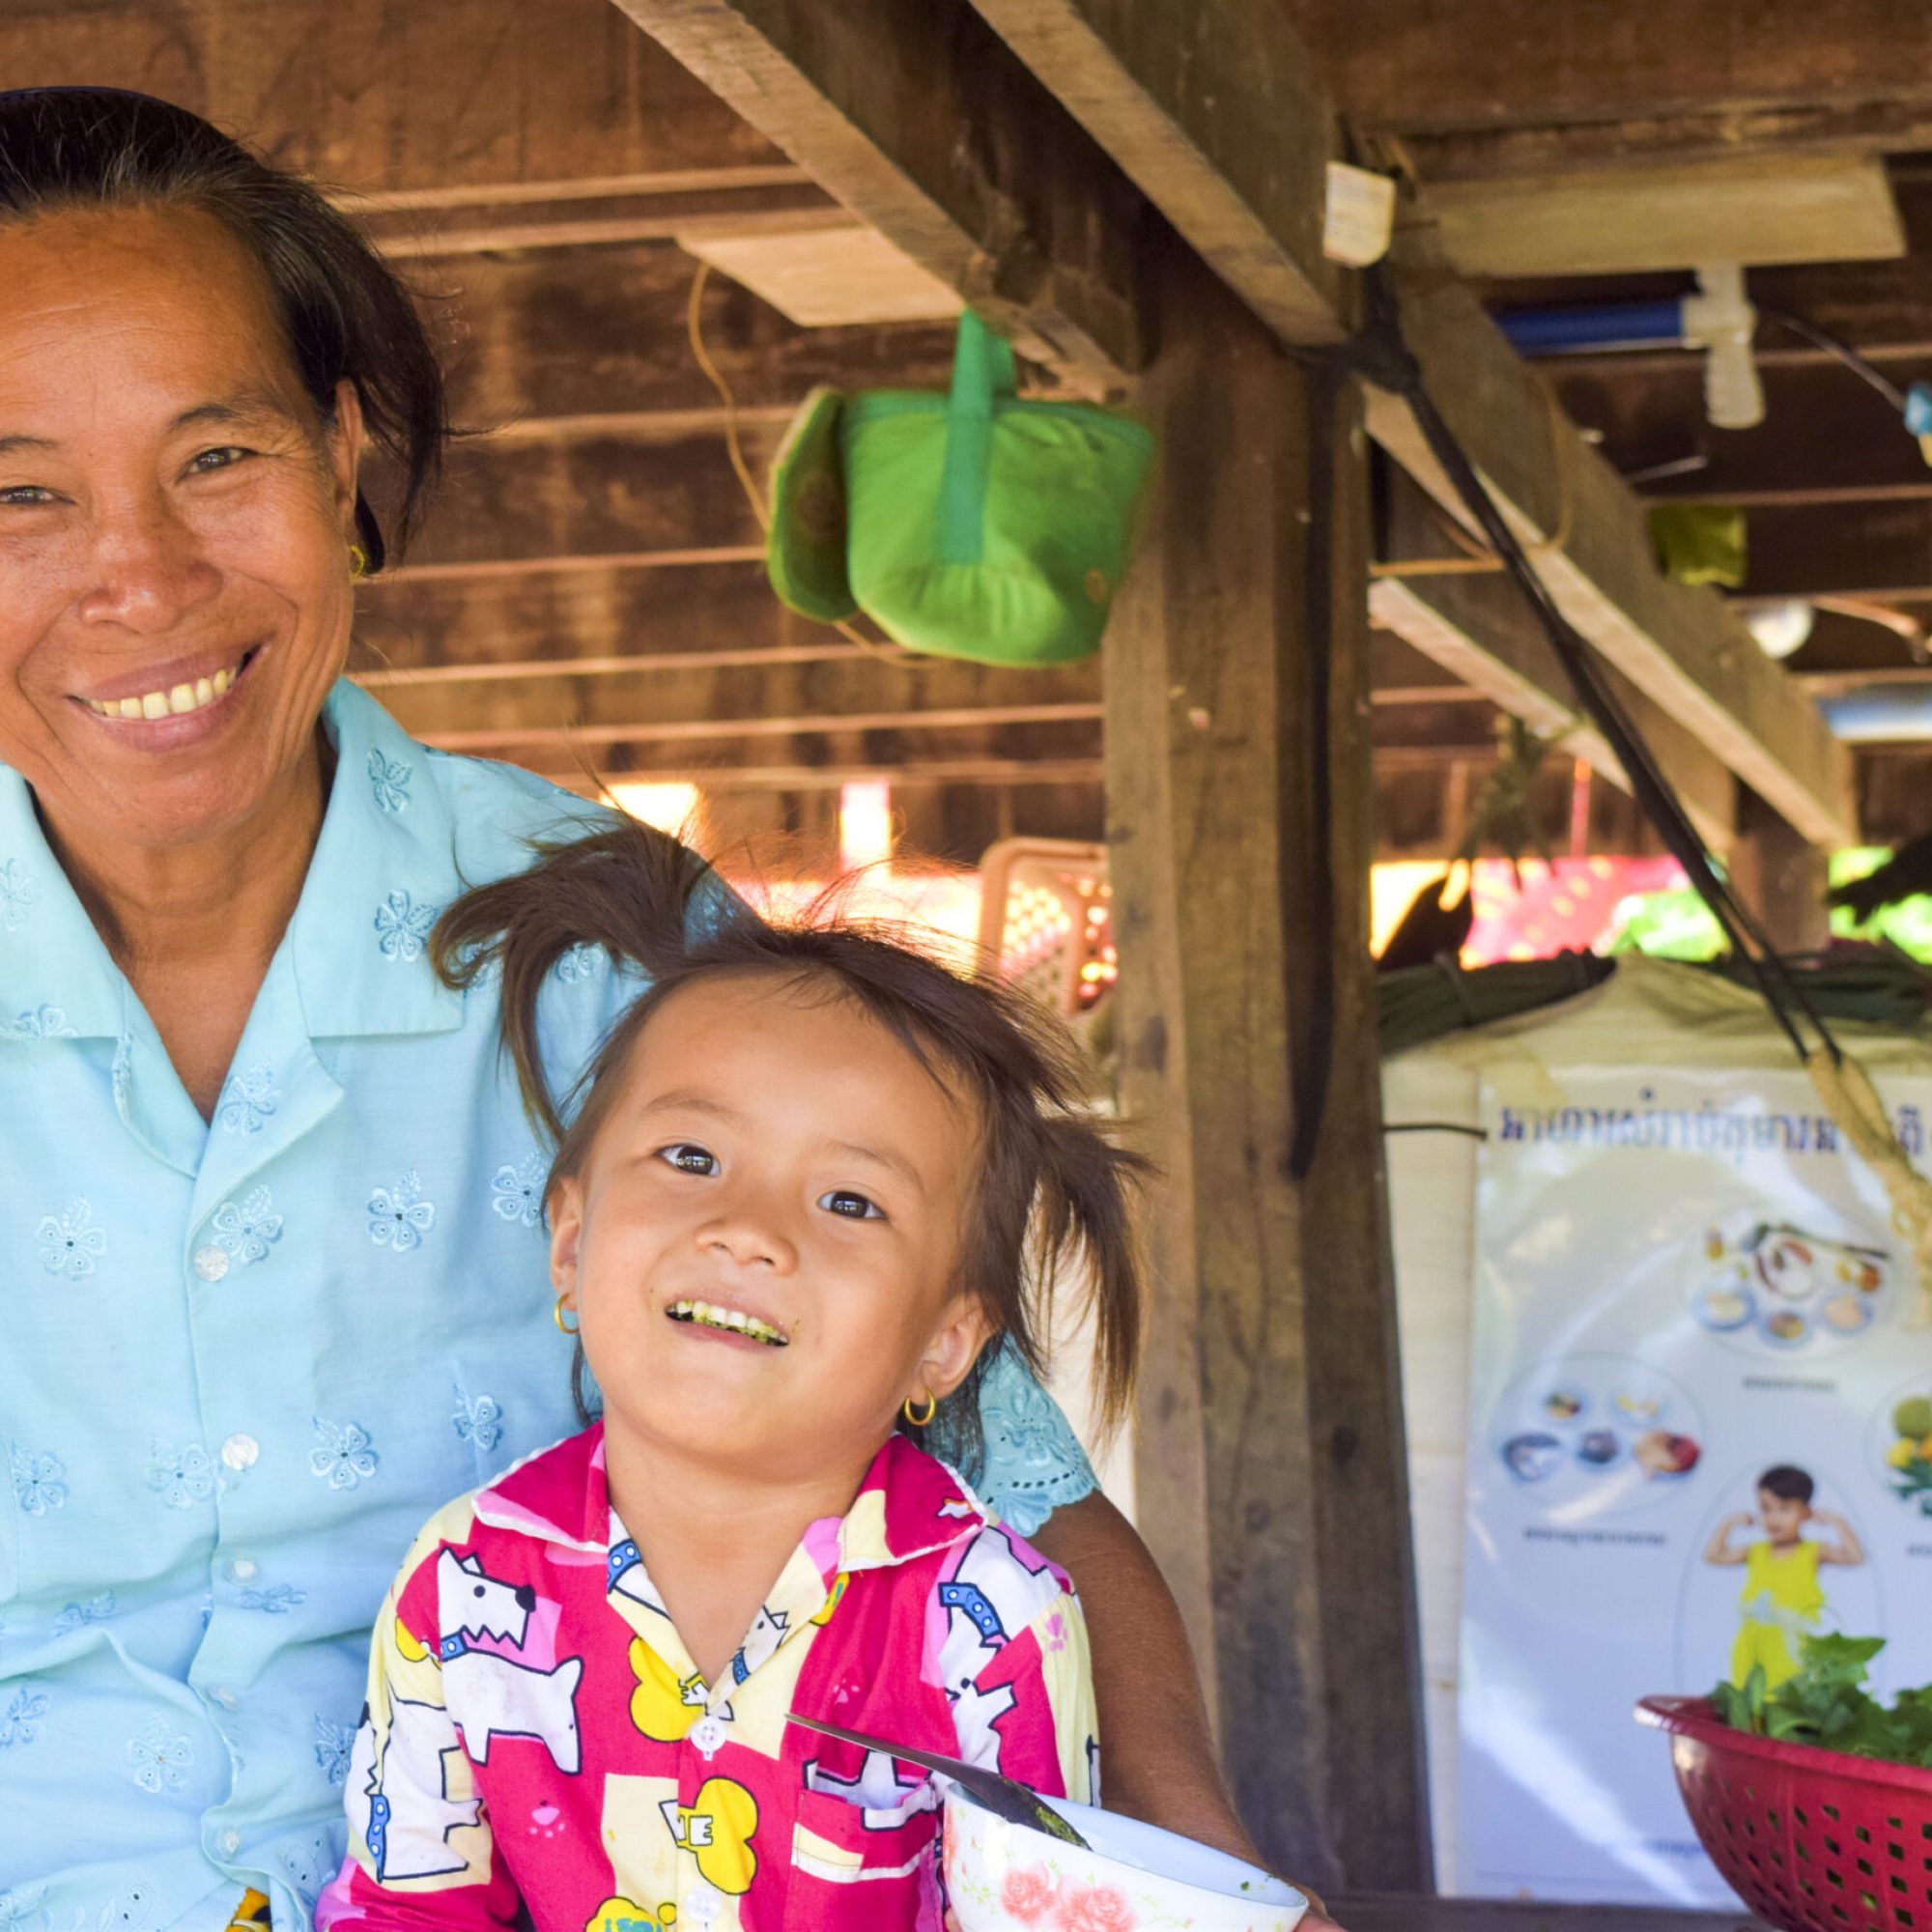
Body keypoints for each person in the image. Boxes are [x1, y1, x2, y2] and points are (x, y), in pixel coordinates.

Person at [0, 86, 1310, 1932]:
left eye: (217, 458)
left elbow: (1004, 1479)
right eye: (18, 490)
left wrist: (1202, 1876)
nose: (135, 573)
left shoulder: (609, 945)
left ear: (343, 456)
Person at [314, 822, 1141, 1925]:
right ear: (569, 1243)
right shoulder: (468, 1582)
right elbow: (411, 1908)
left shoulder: (987, 1622)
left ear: (943, 1342)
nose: (747, 1230)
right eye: (692, 1158)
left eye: (849, 1200)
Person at [1704, 1463, 1866, 1690]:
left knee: (1787, 1696)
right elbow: (1714, 1555)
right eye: (1766, 1509)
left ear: (1806, 1513)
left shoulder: (1812, 1552)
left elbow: (1854, 1557)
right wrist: (1728, 1523)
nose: (1774, 1518)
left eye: (1784, 1509)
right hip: (1752, 1639)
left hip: (1791, 1642)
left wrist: (1837, 1521)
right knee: (1749, 1699)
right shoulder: (1756, 1552)